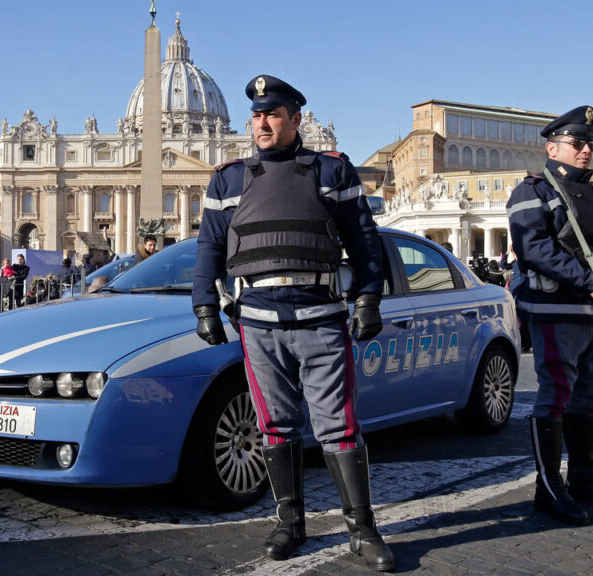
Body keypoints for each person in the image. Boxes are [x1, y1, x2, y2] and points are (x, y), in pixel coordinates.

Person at [192, 75, 393, 571]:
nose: (262, 123)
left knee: (339, 428)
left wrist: (369, 296)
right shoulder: (228, 178)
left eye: (273, 114)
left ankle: (362, 529)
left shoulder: (332, 171)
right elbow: (210, 247)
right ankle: (289, 522)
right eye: (257, 115)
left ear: (295, 118)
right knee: (275, 427)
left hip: (321, 317)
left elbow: (365, 240)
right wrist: (203, 306)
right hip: (259, 322)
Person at [507, 106, 593, 526]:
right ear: (553, 147)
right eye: (578, 143)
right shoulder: (532, 192)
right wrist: (589, 281)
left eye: (590, 144)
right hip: (557, 310)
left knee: (586, 396)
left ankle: (583, 477)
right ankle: (548, 488)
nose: (586, 150)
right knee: (555, 397)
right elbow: (534, 250)